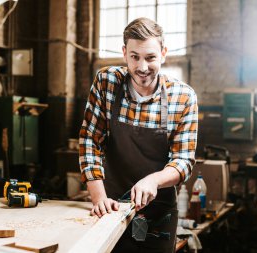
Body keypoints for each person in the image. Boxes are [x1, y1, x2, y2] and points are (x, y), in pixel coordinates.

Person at [79, 17, 198, 253]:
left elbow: (183, 161)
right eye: (135, 57)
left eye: (150, 57)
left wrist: (154, 180)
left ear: (163, 53)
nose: (142, 67)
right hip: (111, 207)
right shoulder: (106, 83)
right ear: (124, 53)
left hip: (159, 214)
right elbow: (90, 141)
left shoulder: (183, 97)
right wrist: (99, 198)